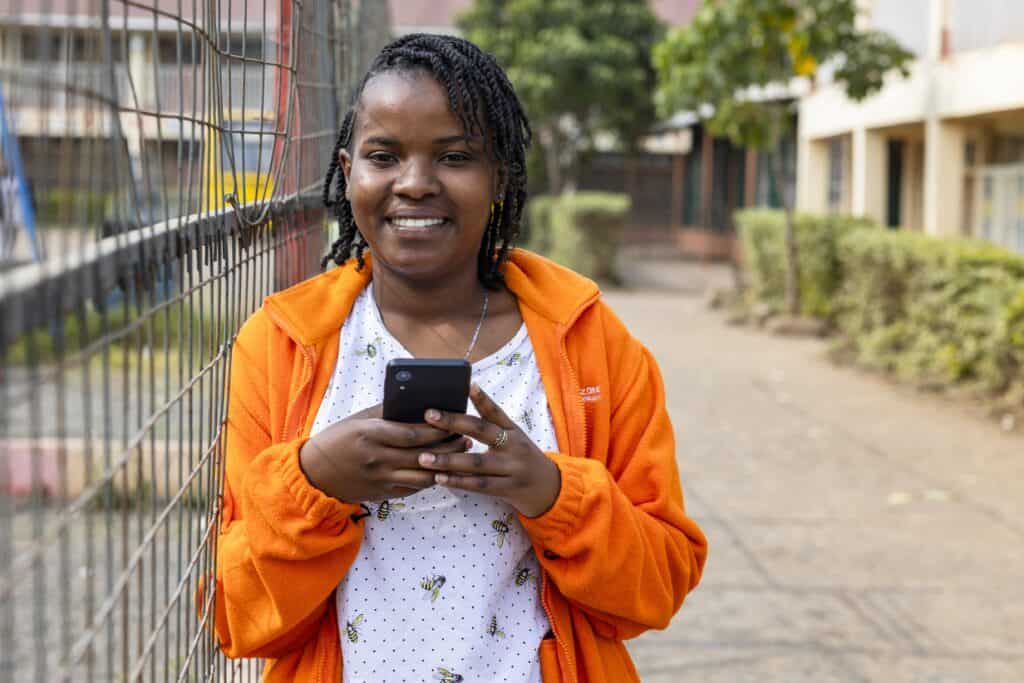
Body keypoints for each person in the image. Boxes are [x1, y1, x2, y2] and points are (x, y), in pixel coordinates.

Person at [213, 33, 707, 683]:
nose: (415, 183)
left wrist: (552, 492)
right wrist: (314, 483)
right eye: (384, 155)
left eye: (454, 156)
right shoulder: (281, 346)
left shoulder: (592, 345)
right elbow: (235, 616)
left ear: (498, 175)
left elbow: (659, 583)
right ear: (347, 168)